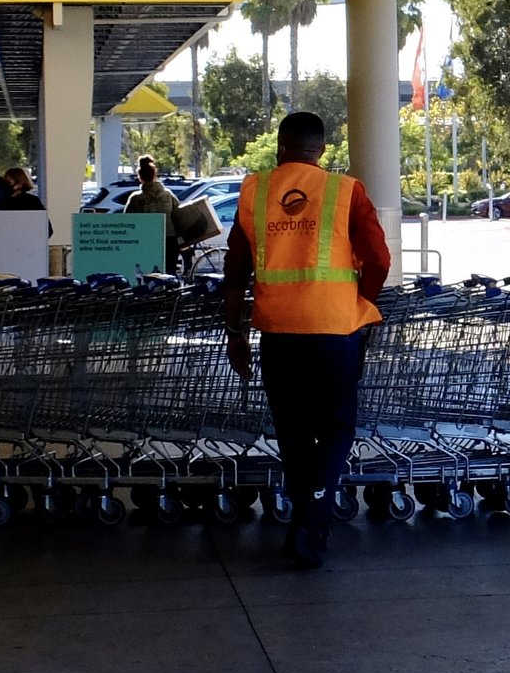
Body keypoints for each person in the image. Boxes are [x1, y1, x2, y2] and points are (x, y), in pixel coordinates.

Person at [223, 112, 390, 567]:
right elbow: (378, 258)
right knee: (335, 427)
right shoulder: (345, 191)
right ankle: (311, 521)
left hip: (278, 332)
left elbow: (234, 271)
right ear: (321, 149)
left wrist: (236, 332)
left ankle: (307, 518)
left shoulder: (256, 192)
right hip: (336, 331)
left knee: (294, 431)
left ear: (280, 147)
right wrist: (361, 302)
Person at [125, 155, 182, 270]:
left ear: (139, 177)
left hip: (146, 241)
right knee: (170, 272)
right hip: (170, 240)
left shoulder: (136, 199)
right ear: (155, 175)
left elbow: (127, 221)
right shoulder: (168, 195)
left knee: (149, 273)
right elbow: (179, 213)